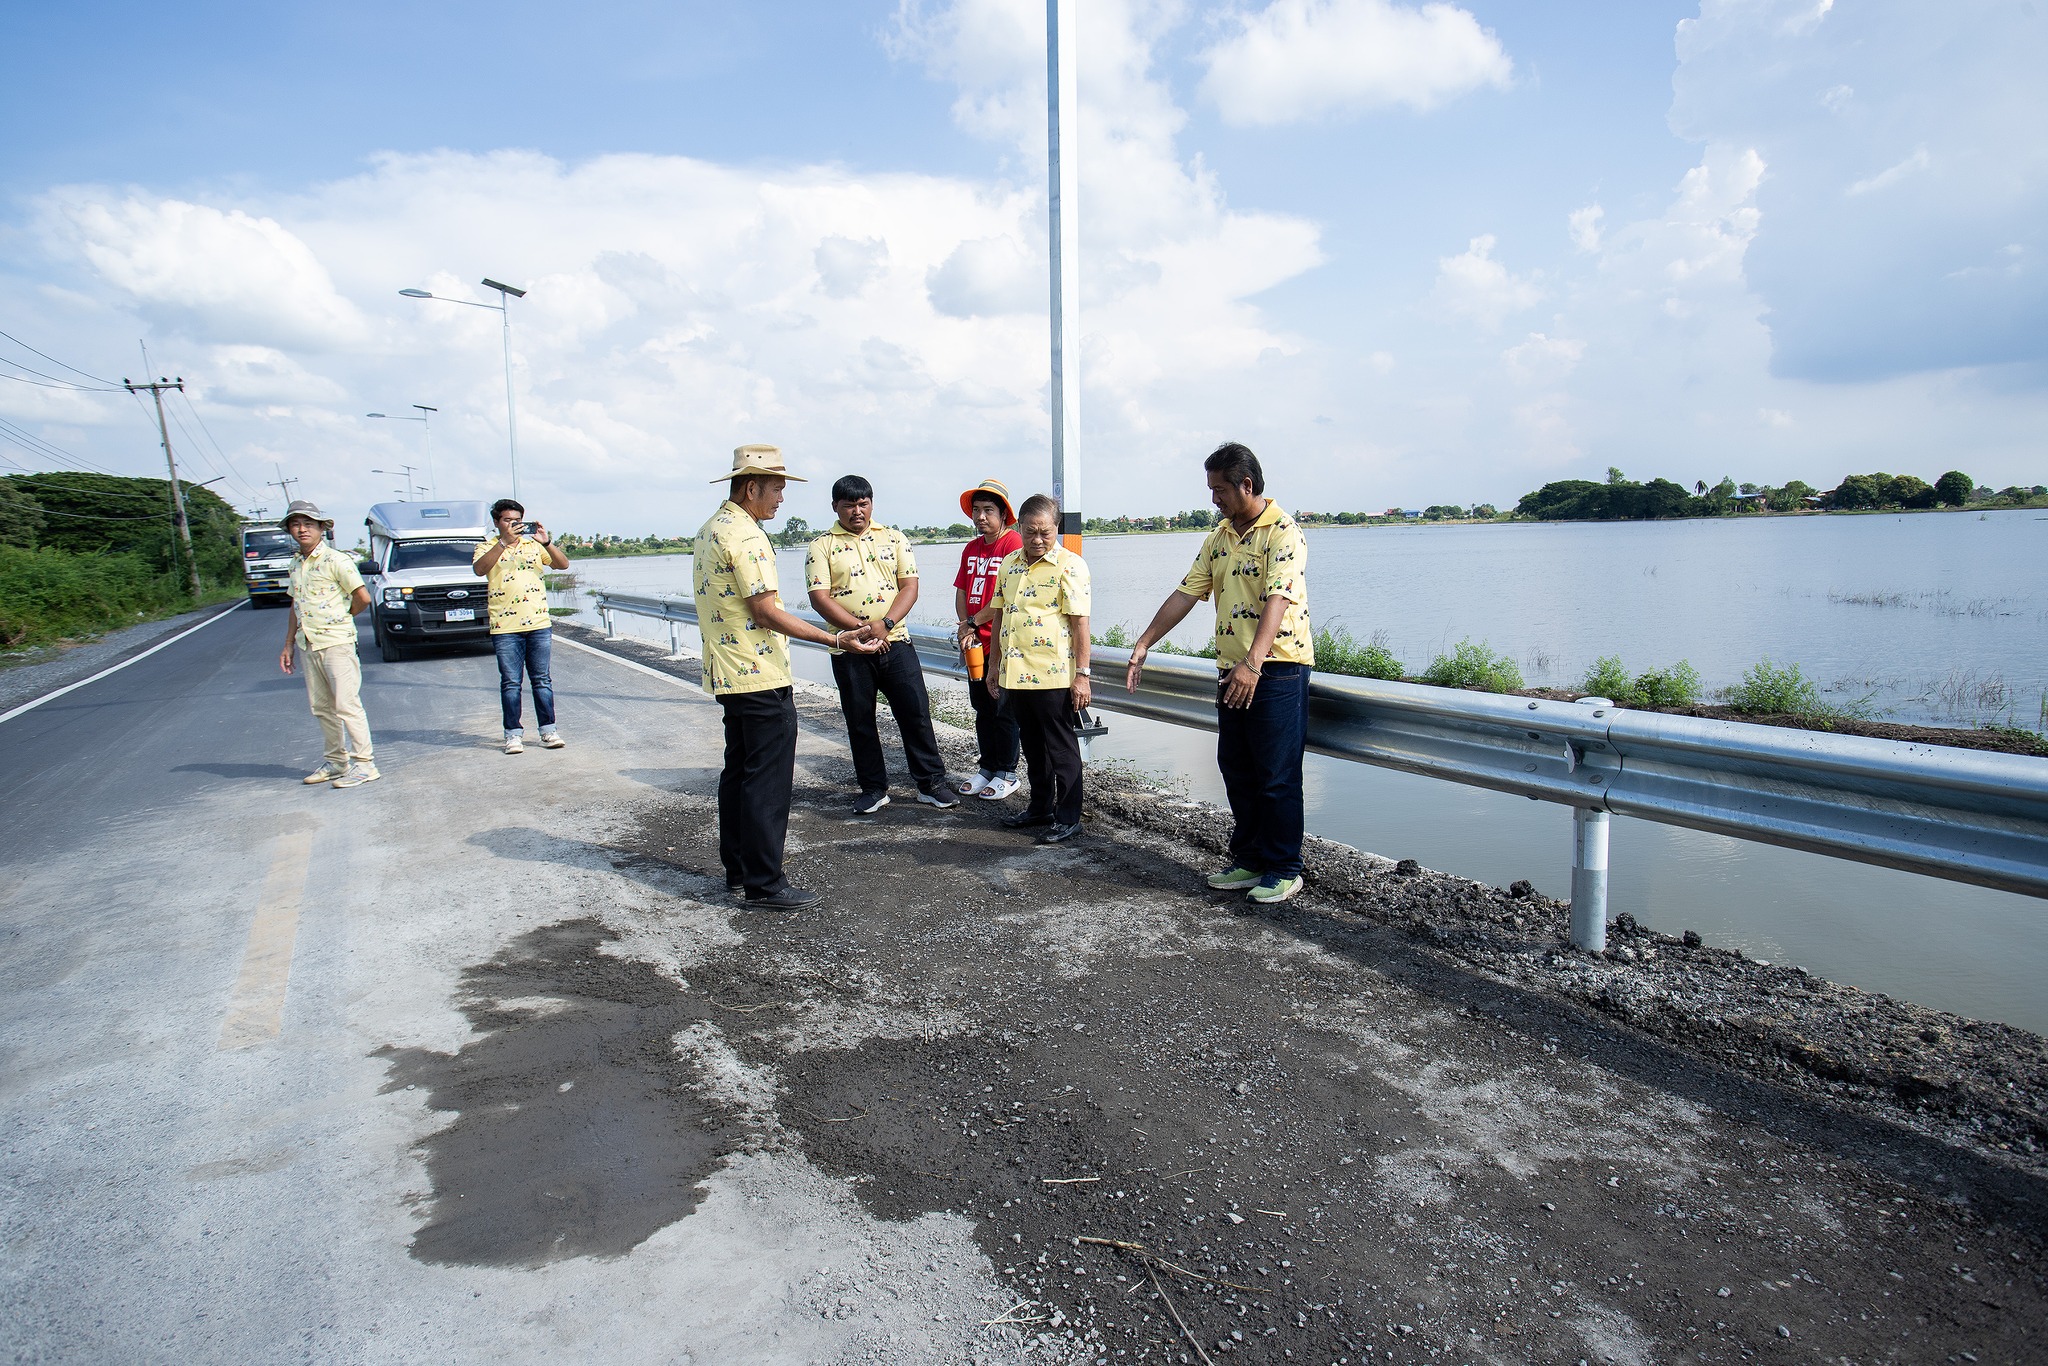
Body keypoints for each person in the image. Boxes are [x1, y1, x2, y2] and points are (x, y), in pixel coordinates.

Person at [695, 444, 883, 911]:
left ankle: (739, 870)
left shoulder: (712, 528)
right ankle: (765, 883)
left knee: (739, 772)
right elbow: (767, 611)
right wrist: (835, 640)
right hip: (757, 673)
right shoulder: (746, 536)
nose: (782, 498)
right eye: (777, 488)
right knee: (768, 781)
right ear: (752, 486)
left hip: (728, 670)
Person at [1125, 442, 1313, 904]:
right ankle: (1249, 859)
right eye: (1212, 490)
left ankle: (1285, 867)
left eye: (1220, 490)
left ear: (1246, 485)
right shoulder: (1220, 537)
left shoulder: (1283, 532)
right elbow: (1187, 593)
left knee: (1276, 774)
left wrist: (1254, 663)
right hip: (1232, 669)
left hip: (1279, 670)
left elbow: (1278, 599)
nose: (1214, 500)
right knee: (1237, 768)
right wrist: (1144, 642)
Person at [804, 475, 957, 815]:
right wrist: (860, 630)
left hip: (896, 642)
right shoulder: (821, 545)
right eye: (849, 505)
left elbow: (910, 587)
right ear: (836, 508)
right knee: (860, 720)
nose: (857, 511)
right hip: (849, 648)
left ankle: (931, 783)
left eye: (863, 503)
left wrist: (884, 626)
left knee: (915, 713)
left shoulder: (894, 538)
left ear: (871, 503)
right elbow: (819, 597)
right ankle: (873, 788)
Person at [971, 493, 1091, 844]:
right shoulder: (1009, 564)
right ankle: (1040, 808)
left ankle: (1069, 817)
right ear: (1019, 527)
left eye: (1045, 533)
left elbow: (1081, 624)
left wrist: (1082, 675)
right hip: (1015, 672)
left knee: (1061, 748)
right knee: (1033, 746)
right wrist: (994, 667)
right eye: (1030, 532)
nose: (1037, 540)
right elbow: (1000, 615)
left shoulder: (1071, 565)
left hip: (1054, 675)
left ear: (1056, 529)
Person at [276, 499, 377, 789]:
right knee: (321, 706)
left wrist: (341, 620)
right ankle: (336, 762)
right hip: (308, 644)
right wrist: (288, 644)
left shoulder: (336, 560)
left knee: (346, 704)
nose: (301, 529)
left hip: (337, 642)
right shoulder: (296, 564)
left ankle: (365, 765)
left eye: (308, 524)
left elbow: (362, 598)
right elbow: (296, 604)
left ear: (322, 528)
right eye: (296, 524)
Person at [472, 498, 571, 755]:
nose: (513, 524)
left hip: (538, 622)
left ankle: (548, 730)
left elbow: (563, 564)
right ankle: (513, 735)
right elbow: (479, 570)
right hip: (505, 626)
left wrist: (546, 541)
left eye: (517, 520)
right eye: (507, 520)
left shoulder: (533, 545)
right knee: (511, 682)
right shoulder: (486, 547)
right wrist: (503, 543)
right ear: (496, 522)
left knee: (541, 680)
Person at [951, 478, 1023, 800]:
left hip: (1003, 643)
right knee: (981, 706)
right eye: (977, 510)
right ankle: (988, 768)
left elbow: (1007, 599)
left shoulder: (1013, 545)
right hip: (975, 643)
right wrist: (966, 628)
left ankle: (1008, 772)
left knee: (1003, 708)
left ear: (1004, 513)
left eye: (988, 510)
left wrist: (971, 621)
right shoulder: (971, 548)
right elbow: (962, 591)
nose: (981, 517)